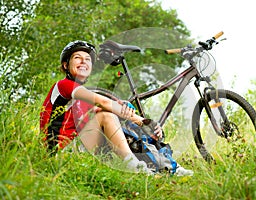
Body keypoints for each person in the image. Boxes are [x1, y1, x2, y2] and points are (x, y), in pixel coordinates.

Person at [40, 40, 193, 176]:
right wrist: (141, 121)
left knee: (122, 119)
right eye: (77, 58)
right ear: (66, 65)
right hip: (58, 152)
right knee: (107, 116)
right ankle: (135, 166)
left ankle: (169, 166)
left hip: (80, 149)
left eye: (88, 60)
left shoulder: (84, 99)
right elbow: (105, 103)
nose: (83, 62)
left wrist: (149, 124)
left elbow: (116, 108)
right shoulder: (63, 85)